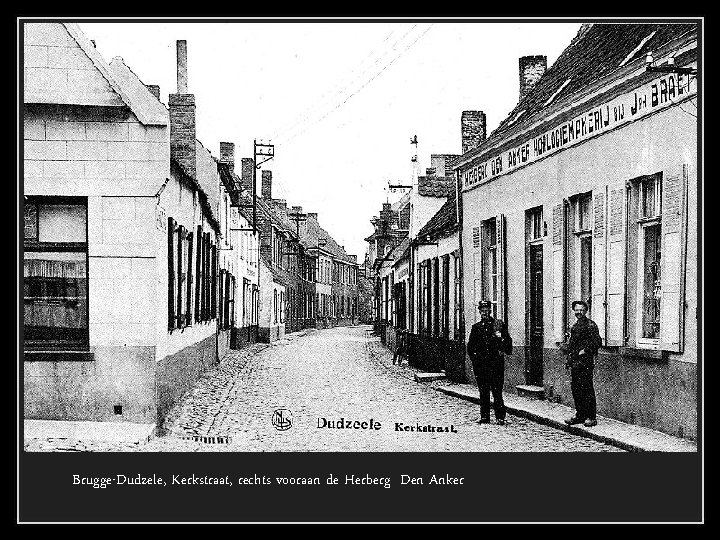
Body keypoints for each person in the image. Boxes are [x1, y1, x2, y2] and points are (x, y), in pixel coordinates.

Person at [466, 300, 513, 425]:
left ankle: (500, 417)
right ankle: (485, 417)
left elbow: (508, 345)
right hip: (481, 367)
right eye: (482, 311)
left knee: (497, 391)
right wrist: (476, 362)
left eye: (487, 311)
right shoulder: (476, 328)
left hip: (496, 365)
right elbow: (470, 348)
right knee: (483, 391)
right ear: (479, 312)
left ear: (490, 311)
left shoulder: (498, 325)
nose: (485, 313)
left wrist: (500, 338)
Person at [560, 300, 602, 427]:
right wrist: (566, 348)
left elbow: (597, 342)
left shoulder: (591, 325)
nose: (579, 312)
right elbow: (573, 344)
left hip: (585, 362)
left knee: (587, 388)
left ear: (586, 311)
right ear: (574, 311)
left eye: (581, 310)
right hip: (575, 362)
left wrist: (586, 350)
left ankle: (591, 417)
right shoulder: (575, 326)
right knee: (576, 389)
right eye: (577, 310)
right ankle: (580, 415)